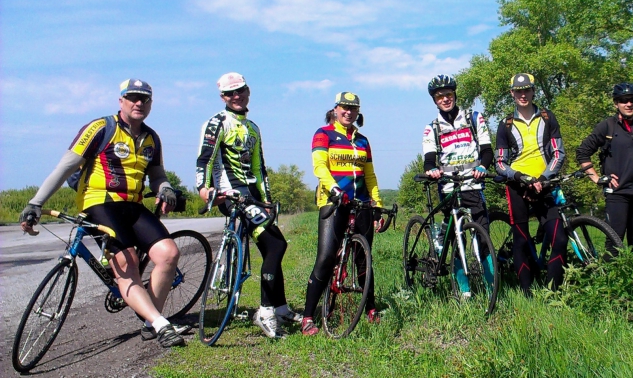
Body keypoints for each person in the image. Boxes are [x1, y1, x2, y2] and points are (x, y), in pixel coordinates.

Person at [19, 79, 185, 348]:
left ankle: (150, 323)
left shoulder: (152, 138)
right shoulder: (100, 128)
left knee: (169, 254)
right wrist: (35, 203)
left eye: (144, 99)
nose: (138, 103)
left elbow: (156, 175)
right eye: (132, 97)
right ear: (121, 101)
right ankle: (161, 324)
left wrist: (165, 188)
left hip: (133, 206)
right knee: (127, 262)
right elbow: (65, 167)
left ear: (151, 104)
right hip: (99, 203)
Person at [196, 72, 300, 338]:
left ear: (248, 91)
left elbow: (258, 167)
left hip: (252, 196)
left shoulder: (253, 127)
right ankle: (265, 312)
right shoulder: (217, 123)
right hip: (230, 194)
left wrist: (266, 200)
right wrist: (204, 189)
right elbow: (205, 159)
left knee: (273, 246)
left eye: (240, 90)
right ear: (222, 97)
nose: (236, 96)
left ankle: (280, 308)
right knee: (275, 245)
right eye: (230, 93)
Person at [300, 92, 384, 335]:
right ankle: (308, 317)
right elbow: (320, 167)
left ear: (358, 112)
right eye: (344, 107)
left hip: (361, 203)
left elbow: (370, 175)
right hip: (333, 201)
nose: (348, 112)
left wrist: (377, 205)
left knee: (364, 258)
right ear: (335, 109)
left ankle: (370, 308)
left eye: (353, 108)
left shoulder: (363, 141)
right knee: (326, 257)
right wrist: (334, 189)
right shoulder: (323, 134)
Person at [494, 73, 569, 292]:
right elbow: (500, 163)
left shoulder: (547, 117)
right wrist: (520, 177)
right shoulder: (505, 124)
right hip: (518, 186)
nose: (523, 95)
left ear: (533, 91)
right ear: (512, 93)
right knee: (521, 240)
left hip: (544, 185)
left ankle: (552, 293)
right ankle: (526, 293)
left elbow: (558, 153)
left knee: (560, 239)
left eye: (527, 90)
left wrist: (544, 178)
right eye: (518, 91)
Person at [421, 74, 494, 297]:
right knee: (456, 239)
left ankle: (491, 289)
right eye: (439, 96)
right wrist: (432, 170)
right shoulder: (432, 128)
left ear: (454, 95)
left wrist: (483, 166)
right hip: (448, 187)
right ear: (435, 100)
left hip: (473, 184)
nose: (445, 99)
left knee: (483, 237)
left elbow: (487, 150)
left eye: (448, 94)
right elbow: (429, 159)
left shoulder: (474, 118)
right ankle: (464, 292)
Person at [576, 82, 633, 254]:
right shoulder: (607, 126)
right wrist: (597, 178)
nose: (629, 104)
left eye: (632, 100)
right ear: (616, 103)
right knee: (614, 244)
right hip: (617, 194)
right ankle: (610, 272)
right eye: (624, 100)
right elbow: (583, 152)